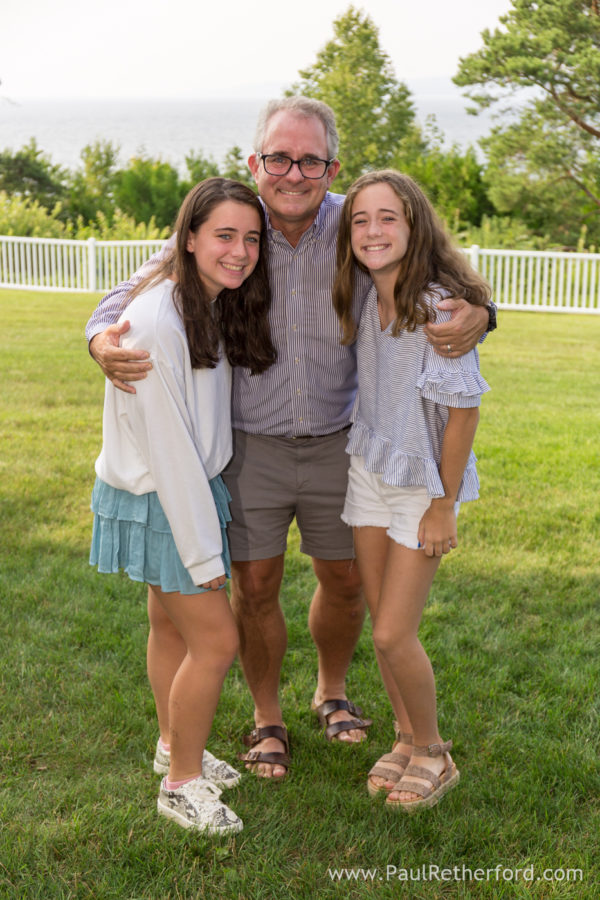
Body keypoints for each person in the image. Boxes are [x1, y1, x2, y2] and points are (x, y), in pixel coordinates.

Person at [86, 97, 494, 780]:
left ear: (331, 168)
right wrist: (100, 336)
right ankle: (266, 715)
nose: (293, 173)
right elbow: (131, 290)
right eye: (279, 158)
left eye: (310, 160)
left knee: (346, 581)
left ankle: (332, 691)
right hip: (251, 446)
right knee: (254, 585)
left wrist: (482, 310)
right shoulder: (233, 228)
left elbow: (437, 275)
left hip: (342, 442)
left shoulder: (356, 226)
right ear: (256, 162)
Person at [89, 177, 276, 833]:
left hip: (177, 489)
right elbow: (169, 452)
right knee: (217, 641)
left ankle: (174, 745)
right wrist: (203, 555)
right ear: (189, 238)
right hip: (167, 498)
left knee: (170, 627)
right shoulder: (157, 323)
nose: (241, 251)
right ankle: (181, 785)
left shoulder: (199, 300)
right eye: (225, 235)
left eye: (251, 238)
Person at [332, 169, 490, 811]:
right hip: (369, 467)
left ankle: (432, 751)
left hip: (422, 486)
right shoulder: (364, 295)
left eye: (387, 217)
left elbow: (464, 413)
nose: (373, 230)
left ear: (414, 224)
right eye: (360, 220)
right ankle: (403, 736)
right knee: (381, 626)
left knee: (395, 633)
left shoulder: (439, 308)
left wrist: (443, 504)